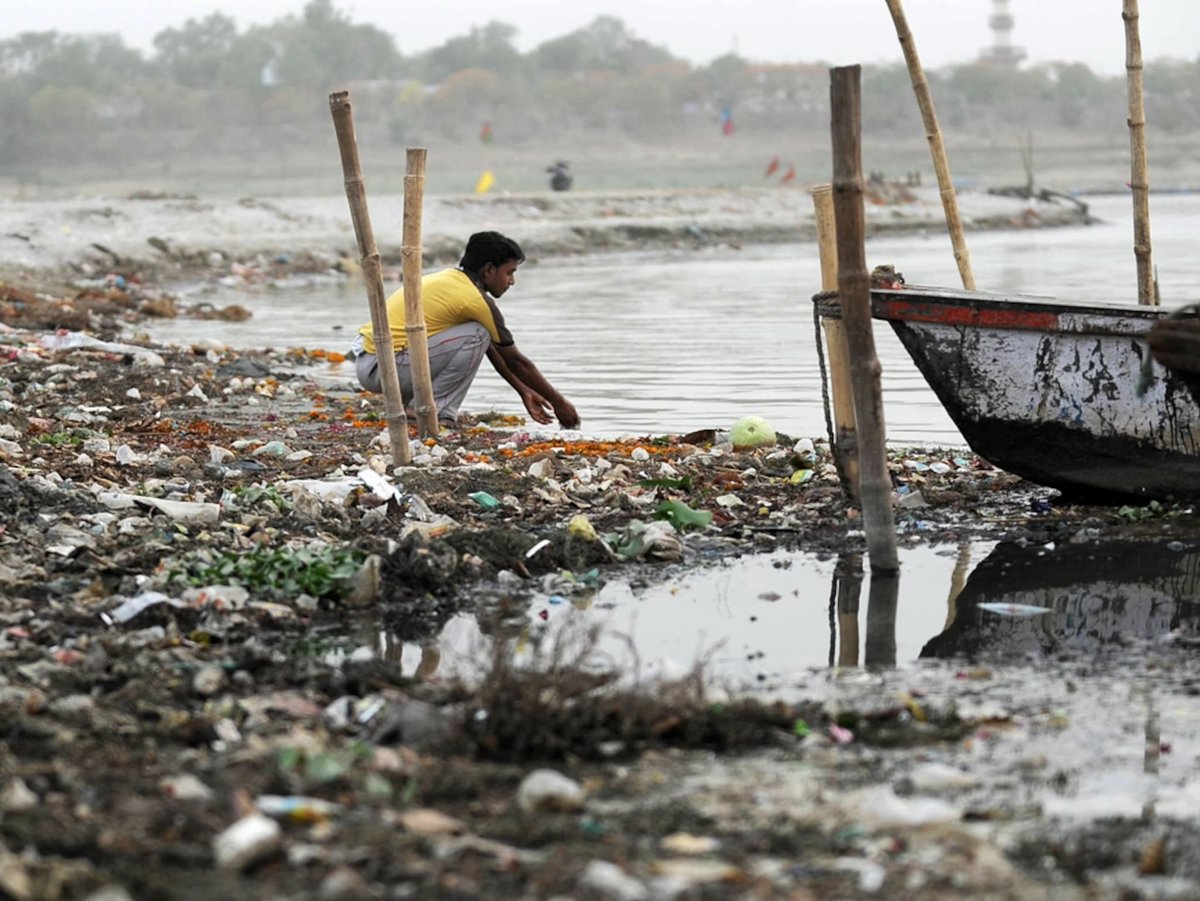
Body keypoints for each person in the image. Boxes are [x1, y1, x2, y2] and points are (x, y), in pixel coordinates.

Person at [350, 231, 580, 430]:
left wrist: (523, 390)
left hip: (371, 362)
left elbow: (491, 350)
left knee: (478, 334)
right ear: (489, 270)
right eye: (509, 273)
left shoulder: (451, 280)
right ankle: (430, 409)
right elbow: (516, 361)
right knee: (477, 334)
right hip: (384, 368)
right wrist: (559, 403)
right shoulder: (475, 300)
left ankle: (426, 409)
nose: (511, 281)